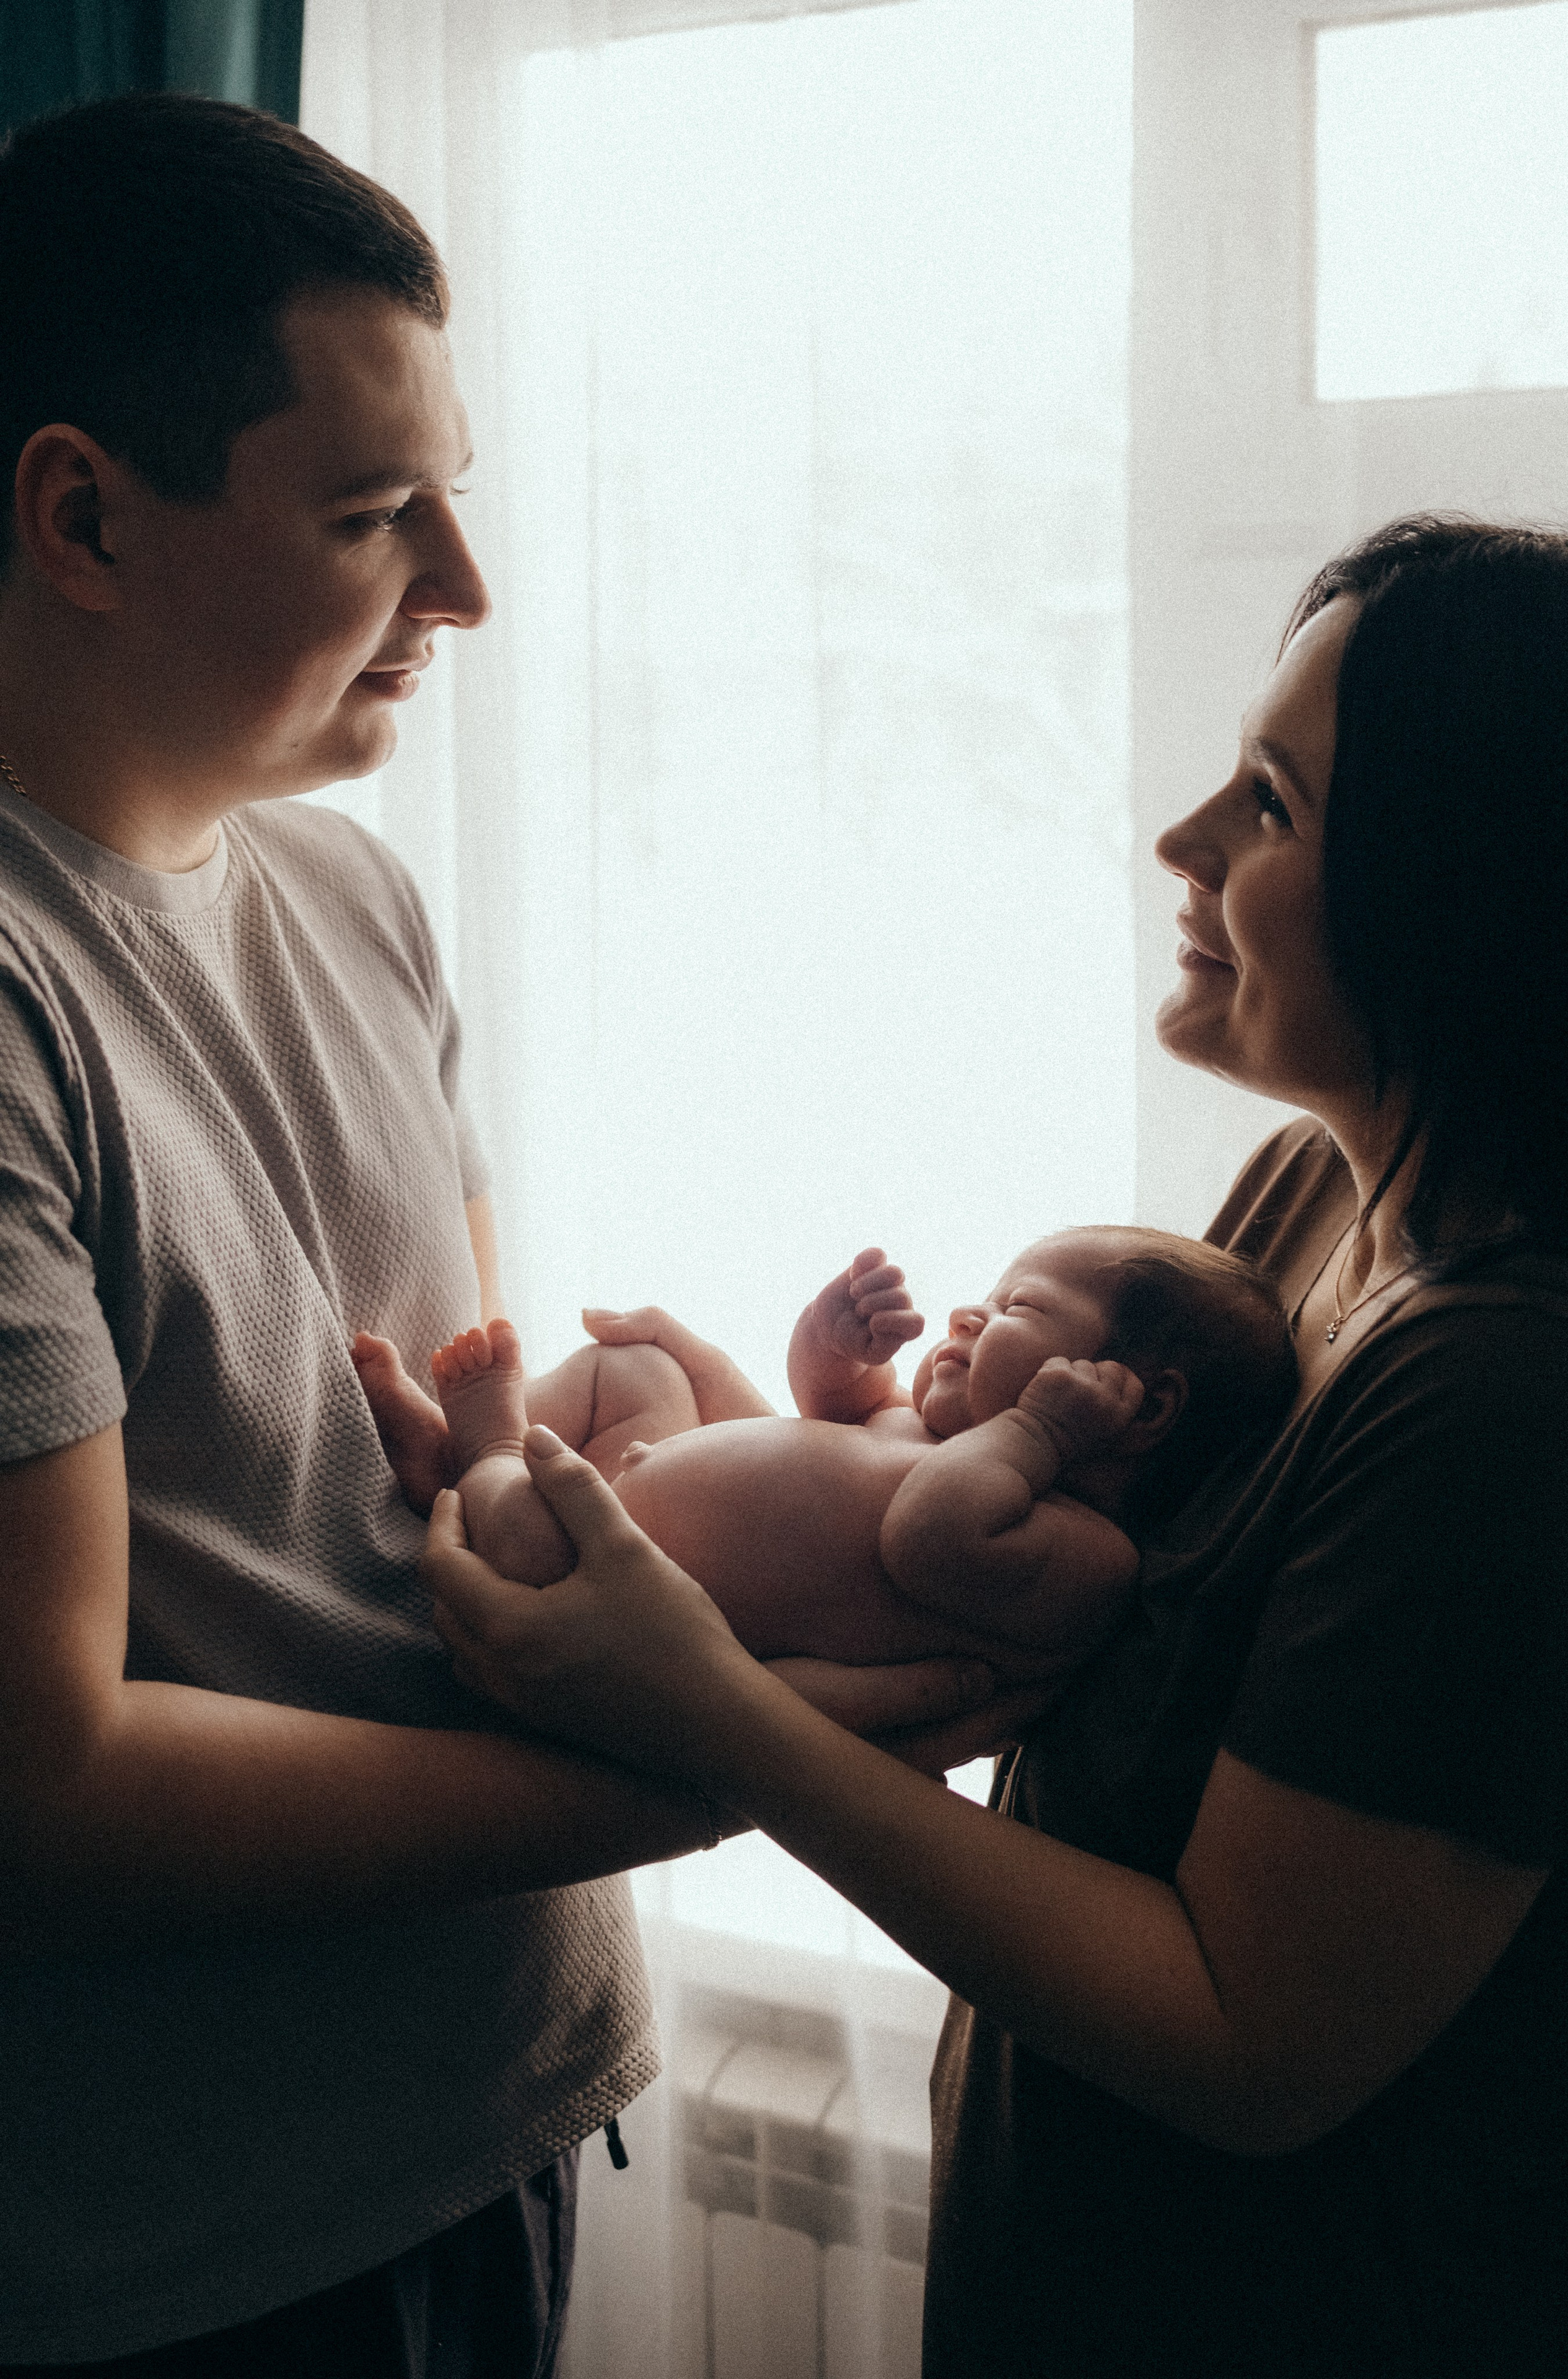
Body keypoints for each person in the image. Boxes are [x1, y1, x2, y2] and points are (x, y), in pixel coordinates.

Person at [0, 94, 991, 2374]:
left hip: (500, 2109)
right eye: (374, 516)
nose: (464, 587)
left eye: (456, 496)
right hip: (199, 2250)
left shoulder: (353, 889)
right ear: (83, 517)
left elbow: (420, 1501)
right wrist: (741, 1760)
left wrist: (715, 1465)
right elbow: (44, 1796)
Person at [421, 516, 1568, 2375]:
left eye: (1268, 806)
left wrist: (703, 1706)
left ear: (1465, 896)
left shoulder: (1506, 1391)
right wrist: (767, 1467)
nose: (1180, 842)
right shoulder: (1304, 1204)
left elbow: (1247, 2038)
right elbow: (1031, 1620)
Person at [357, 1229, 1296, 1679]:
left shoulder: (1088, 1555)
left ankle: (484, 1453)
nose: (969, 1312)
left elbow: (924, 1537)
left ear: (1143, 1405)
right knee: (635, 1366)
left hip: (595, 1588)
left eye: (1018, 1307)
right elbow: (834, 1411)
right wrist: (835, 1342)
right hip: (633, 1484)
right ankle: (455, 1457)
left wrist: (1041, 1434)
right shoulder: (942, 1439)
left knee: (520, 1528)